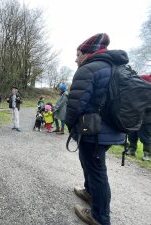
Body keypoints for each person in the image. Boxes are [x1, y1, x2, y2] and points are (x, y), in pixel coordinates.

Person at [65, 33, 127, 225]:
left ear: (87, 53)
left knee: (97, 171)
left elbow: (75, 106)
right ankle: (89, 192)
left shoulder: (88, 69)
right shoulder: (118, 67)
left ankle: (99, 217)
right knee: (91, 165)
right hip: (112, 130)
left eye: (78, 54)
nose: (76, 59)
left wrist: (70, 126)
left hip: (92, 132)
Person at [126, 74, 151, 161]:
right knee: (132, 134)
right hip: (135, 116)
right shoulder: (139, 90)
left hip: (147, 118)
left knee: (145, 136)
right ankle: (131, 149)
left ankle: (147, 154)